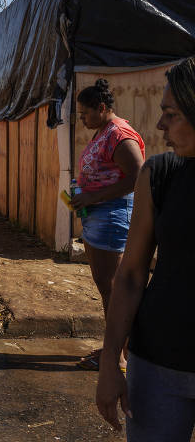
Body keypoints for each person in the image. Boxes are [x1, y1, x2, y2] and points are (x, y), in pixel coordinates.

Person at [96, 57, 195, 439]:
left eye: (171, 114)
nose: (159, 125)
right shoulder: (161, 174)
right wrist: (110, 363)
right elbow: (131, 275)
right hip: (158, 366)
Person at [71, 79, 145, 371]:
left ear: (102, 108)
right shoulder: (105, 131)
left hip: (111, 215)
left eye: (84, 113)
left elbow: (138, 176)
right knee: (107, 286)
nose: (82, 119)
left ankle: (118, 356)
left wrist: (94, 195)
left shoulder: (119, 134)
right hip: (98, 213)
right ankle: (117, 348)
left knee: (113, 288)